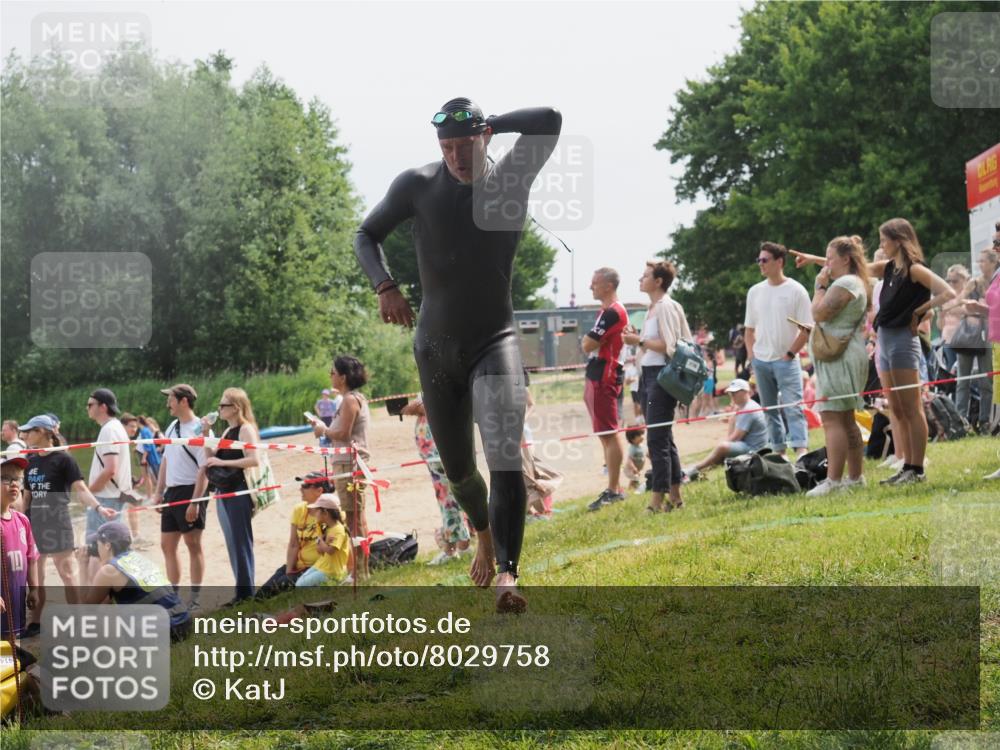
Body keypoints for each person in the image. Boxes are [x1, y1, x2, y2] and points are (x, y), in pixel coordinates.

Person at [354, 97, 561, 613]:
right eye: (446, 147)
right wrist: (384, 285)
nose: (456, 158)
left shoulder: (512, 175)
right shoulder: (417, 185)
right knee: (460, 471)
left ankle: (508, 576)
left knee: (505, 460)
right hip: (436, 348)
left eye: (465, 145)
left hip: (496, 342)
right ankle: (484, 533)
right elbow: (365, 233)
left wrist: (495, 123)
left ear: (484, 138)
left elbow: (549, 120)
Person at [793, 218, 955, 485]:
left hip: (903, 340)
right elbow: (855, 265)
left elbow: (947, 292)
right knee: (897, 408)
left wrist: (919, 312)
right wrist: (814, 259)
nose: (881, 245)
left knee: (912, 407)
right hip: (886, 341)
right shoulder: (888, 268)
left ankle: (917, 468)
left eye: (884, 240)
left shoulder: (914, 270)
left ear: (899, 240)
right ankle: (906, 465)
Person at [19, 414, 115, 638]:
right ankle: (36, 623)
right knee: (37, 577)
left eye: (30, 431)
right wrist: (21, 522)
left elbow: (80, 489)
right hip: (35, 524)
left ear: (43, 432)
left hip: (57, 522)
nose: (26, 435)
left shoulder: (64, 459)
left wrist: (99, 508)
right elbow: (27, 497)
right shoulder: (30, 460)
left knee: (67, 574)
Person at [802, 236, 872, 497]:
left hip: (840, 359)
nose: (827, 263)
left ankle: (834, 481)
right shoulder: (854, 282)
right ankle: (855, 478)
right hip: (844, 354)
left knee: (832, 417)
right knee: (845, 417)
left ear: (845, 259)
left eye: (830, 258)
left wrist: (819, 286)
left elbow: (819, 313)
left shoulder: (846, 283)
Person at [622, 261, 691, 513]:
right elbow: (653, 345)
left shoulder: (665, 307)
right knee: (664, 437)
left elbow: (670, 346)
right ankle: (675, 496)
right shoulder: (652, 308)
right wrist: (638, 340)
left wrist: (638, 339)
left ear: (658, 281)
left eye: (646, 275)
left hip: (662, 377)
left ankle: (656, 499)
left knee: (656, 440)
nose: (640, 279)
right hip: (649, 375)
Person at [744, 242, 813, 458]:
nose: (760, 264)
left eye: (765, 260)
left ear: (779, 262)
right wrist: (752, 359)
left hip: (787, 360)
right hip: (761, 361)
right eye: (759, 260)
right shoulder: (754, 292)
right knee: (769, 411)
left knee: (794, 407)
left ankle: (801, 451)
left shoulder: (796, 290)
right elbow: (748, 331)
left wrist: (790, 354)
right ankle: (779, 453)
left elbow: (806, 328)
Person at [312, 356, 372, 582]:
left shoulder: (349, 400)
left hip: (349, 464)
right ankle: (360, 570)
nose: (330, 375)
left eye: (333, 371)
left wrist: (323, 430)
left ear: (343, 377)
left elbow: (344, 434)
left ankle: (359, 573)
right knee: (357, 517)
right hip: (349, 462)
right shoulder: (351, 399)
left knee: (354, 518)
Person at [80, 521, 191, 641]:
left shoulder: (109, 570)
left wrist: (82, 564)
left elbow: (87, 607)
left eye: (98, 543)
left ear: (107, 545)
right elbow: (104, 601)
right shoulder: (138, 558)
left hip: (163, 632)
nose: (97, 548)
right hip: (183, 622)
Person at [153, 384, 211, 610]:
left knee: (192, 544)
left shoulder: (201, 429)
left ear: (184, 401)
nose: (168, 403)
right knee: (167, 545)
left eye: (171, 399)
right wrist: (159, 492)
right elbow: (166, 460)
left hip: (191, 490)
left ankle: (195, 598)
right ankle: (174, 595)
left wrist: (195, 502)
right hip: (172, 491)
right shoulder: (172, 427)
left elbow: (204, 469)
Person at [201, 388, 259, 604]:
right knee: (232, 541)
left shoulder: (246, 430)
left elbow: (254, 460)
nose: (219, 409)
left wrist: (223, 462)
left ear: (236, 408)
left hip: (239, 490)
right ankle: (241, 592)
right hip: (224, 490)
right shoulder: (227, 432)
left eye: (223, 405)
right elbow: (210, 457)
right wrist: (206, 433)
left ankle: (246, 594)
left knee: (241, 540)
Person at [400, 398, 473, 565]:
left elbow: (435, 406)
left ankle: (456, 548)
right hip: (436, 455)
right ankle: (459, 546)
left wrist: (415, 407)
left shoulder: (436, 378)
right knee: (448, 499)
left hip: (440, 453)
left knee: (448, 500)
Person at [583, 267, 630, 512]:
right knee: (604, 433)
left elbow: (588, 343)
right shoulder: (605, 311)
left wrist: (590, 341)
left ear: (608, 286)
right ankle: (614, 487)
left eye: (594, 283)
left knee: (610, 432)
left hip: (606, 376)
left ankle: (614, 489)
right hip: (598, 374)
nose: (591, 287)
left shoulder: (613, 312)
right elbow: (589, 343)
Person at [255, 471, 331, 598]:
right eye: (301, 485)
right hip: (298, 564)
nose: (301, 488)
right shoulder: (299, 509)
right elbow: (293, 543)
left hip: (316, 567)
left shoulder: (330, 513)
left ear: (319, 491)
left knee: (282, 585)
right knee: (262, 594)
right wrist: (289, 570)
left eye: (305, 486)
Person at [83, 389, 132, 584]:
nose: (87, 408)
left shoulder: (109, 429)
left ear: (103, 406)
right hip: (113, 495)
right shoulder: (115, 427)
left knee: (97, 550)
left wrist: (88, 491)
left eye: (90, 405)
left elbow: (111, 469)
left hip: (105, 497)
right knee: (110, 550)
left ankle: (96, 597)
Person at [683, 379, 768, 480]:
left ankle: (694, 469)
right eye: (730, 393)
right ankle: (697, 471)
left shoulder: (747, 409)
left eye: (735, 392)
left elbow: (736, 437)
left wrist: (722, 446)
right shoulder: (744, 406)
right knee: (722, 450)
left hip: (754, 449)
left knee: (722, 447)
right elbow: (733, 437)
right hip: (750, 445)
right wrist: (733, 417)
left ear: (745, 392)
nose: (732, 395)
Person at [953, 249, 998, 432]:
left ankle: (985, 420)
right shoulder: (973, 283)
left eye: (983, 261)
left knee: (987, 381)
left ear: (993, 262)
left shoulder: (996, 282)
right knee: (963, 380)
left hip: (989, 335)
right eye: (979, 261)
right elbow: (958, 304)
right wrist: (973, 310)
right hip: (968, 336)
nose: (980, 264)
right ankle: (961, 420)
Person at [963, 246, 1000, 447]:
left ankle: (988, 422)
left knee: (991, 388)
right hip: (994, 341)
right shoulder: (995, 277)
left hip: (994, 341)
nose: (996, 247)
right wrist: (978, 309)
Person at [0, 454, 39, 641]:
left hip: (15, 599)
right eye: (4, 478)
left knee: (12, 640)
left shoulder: (22, 521)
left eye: (16, 478)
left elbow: (31, 558)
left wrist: (34, 588)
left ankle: (14, 668)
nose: (13, 483)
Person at [295, 494, 350, 588]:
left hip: (331, 570)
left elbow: (330, 551)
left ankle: (331, 585)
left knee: (300, 585)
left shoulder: (338, 530)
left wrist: (320, 541)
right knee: (299, 582)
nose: (314, 514)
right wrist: (322, 540)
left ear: (325, 513)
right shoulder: (328, 528)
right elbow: (320, 551)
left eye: (317, 511)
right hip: (323, 565)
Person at [937, 264, 971, 375]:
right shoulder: (946, 296)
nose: (951, 284)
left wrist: (949, 308)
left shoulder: (969, 294)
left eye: (955, 281)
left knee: (965, 372)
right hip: (948, 339)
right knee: (951, 371)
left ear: (964, 279)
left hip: (966, 339)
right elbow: (940, 326)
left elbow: (968, 311)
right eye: (949, 280)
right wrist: (941, 316)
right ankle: (955, 392)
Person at [135, 415, 163, 497]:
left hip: (152, 457)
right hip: (150, 457)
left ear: (139, 422)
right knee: (152, 476)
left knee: (155, 477)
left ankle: (157, 495)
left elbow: (148, 445)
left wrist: (144, 457)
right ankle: (155, 495)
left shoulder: (144, 431)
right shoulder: (145, 430)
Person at [622, 428, 646, 494]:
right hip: (631, 468)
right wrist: (633, 468)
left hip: (637, 468)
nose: (642, 437)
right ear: (632, 439)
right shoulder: (632, 448)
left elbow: (646, 453)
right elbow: (629, 459)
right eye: (639, 436)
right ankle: (630, 490)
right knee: (634, 479)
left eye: (642, 435)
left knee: (635, 479)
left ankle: (632, 489)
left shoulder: (641, 446)